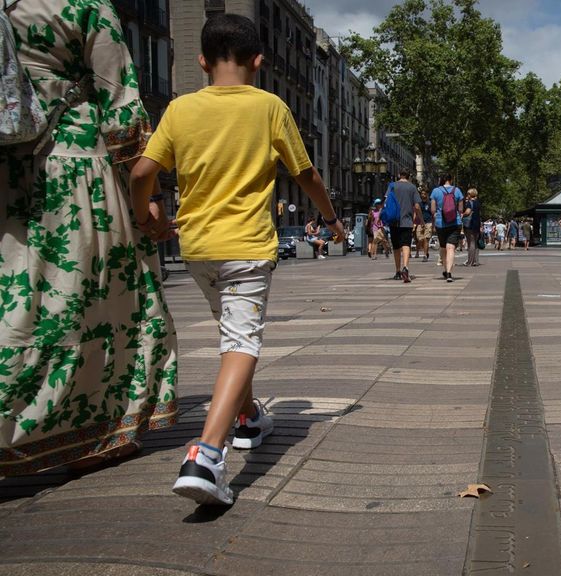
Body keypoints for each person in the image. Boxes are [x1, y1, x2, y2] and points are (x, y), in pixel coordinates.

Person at [129, 13, 344, 505]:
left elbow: (142, 173)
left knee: (230, 336)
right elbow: (306, 174)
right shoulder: (269, 107)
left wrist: (149, 220)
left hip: (198, 248)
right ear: (259, 60)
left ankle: (248, 417)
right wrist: (330, 219)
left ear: (202, 61)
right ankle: (206, 455)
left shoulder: (181, 109)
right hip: (246, 246)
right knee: (242, 344)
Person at [0, 0, 177, 475]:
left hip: (9, 176)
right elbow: (119, 104)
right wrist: (150, 196)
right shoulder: (84, 5)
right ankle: (100, 428)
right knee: (97, 302)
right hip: (73, 165)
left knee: (20, 298)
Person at [430, 175, 464, 283]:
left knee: (443, 247)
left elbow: (432, 209)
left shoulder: (435, 191)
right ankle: (449, 272)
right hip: (455, 222)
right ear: (451, 180)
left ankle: (445, 269)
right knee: (451, 248)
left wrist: (436, 216)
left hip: (440, 223)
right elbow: (461, 209)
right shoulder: (457, 190)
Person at [389, 171, 421, 283]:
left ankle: (397, 271)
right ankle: (405, 268)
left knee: (396, 246)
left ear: (399, 176)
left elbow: (386, 202)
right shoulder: (412, 187)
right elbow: (417, 206)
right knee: (406, 244)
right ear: (409, 176)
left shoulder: (392, 186)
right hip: (407, 221)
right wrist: (420, 220)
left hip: (393, 221)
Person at [463, 188, 482, 266]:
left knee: (471, 242)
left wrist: (462, 215)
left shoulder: (469, 203)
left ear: (471, 194)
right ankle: (475, 261)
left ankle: (470, 261)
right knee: (475, 242)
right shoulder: (478, 202)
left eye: (468, 194)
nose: (467, 195)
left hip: (470, 224)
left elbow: (467, 212)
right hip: (477, 223)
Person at [415, 189, 433, 262]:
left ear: (427, 195)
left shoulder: (430, 203)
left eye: (424, 194)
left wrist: (434, 225)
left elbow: (433, 213)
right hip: (420, 223)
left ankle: (425, 255)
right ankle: (426, 251)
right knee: (420, 239)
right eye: (422, 194)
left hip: (428, 222)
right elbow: (416, 213)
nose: (423, 195)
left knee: (426, 239)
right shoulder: (418, 203)